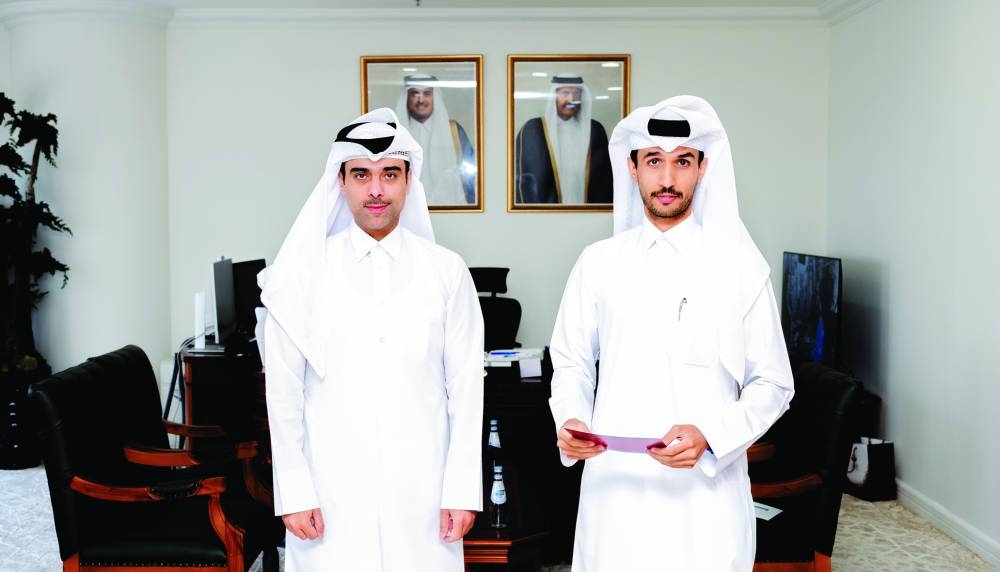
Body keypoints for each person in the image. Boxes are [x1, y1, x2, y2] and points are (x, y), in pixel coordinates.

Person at [548, 95, 795, 571]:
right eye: (653, 161)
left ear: (703, 168)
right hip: (615, 497)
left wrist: (712, 436)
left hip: (705, 501)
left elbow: (774, 383)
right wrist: (572, 418)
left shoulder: (740, 268)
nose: (667, 179)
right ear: (632, 168)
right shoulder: (598, 263)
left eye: (682, 162)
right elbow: (571, 361)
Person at [259, 108, 484, 571]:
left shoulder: (447, 272)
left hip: (423, 496)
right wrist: (294, 490)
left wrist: (462, 490)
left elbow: (465, 389)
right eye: (362, 174)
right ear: (340, 182)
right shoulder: (300, 276)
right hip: (330, 496)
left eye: (390, 175)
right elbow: (283, 393)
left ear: (409, 181)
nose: (376, 189)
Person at [514, 74, 612, 204]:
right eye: (565, 93)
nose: (571, 99)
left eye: (576, 94)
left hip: (587, 211)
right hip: (547, 213)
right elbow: (524, 180)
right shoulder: (533, 130)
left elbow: (605, 179)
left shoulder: (595, 130)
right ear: (554, 97)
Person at [395, 74, 476, 205]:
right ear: (407, 98)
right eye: (415, 94)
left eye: (427, 94)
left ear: (435, 97)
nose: (421, 100)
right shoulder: (395, 134)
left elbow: (471, 180)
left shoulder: (454, 132)